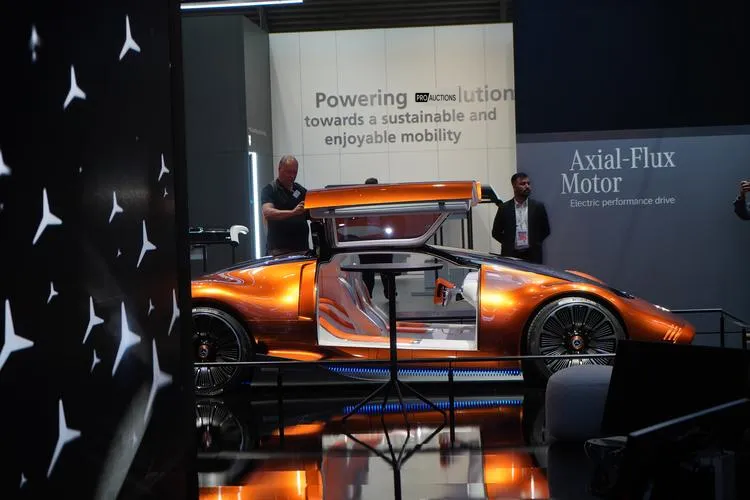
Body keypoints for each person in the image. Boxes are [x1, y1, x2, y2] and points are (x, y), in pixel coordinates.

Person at [491, 172, 551, 264]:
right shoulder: (504, 208)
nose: (527, 186)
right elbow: (496, 232)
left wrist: (535, 242)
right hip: (511, 255)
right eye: (522, 184)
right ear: (514, 186)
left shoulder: (538, 207)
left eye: (528, 183)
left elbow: (546, 230)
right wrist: (509, 243)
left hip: (533, 255)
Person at [260, 155, 310, 256]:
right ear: (279, 169)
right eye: (289, 172)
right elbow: (268, 213)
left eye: (295, 172)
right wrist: (293, 212)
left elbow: (311, 213)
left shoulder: (300, 190)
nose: (292, 176)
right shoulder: (270, 189)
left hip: (302, 249)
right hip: (279, 250)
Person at [358, 177, 395, 299]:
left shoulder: (385, 202)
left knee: (386, 269)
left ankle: (389, 293)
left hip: (382, 239)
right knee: (368, 272)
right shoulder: (360, 203)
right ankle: (368, 295)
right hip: (366, 241)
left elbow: (391, 219)